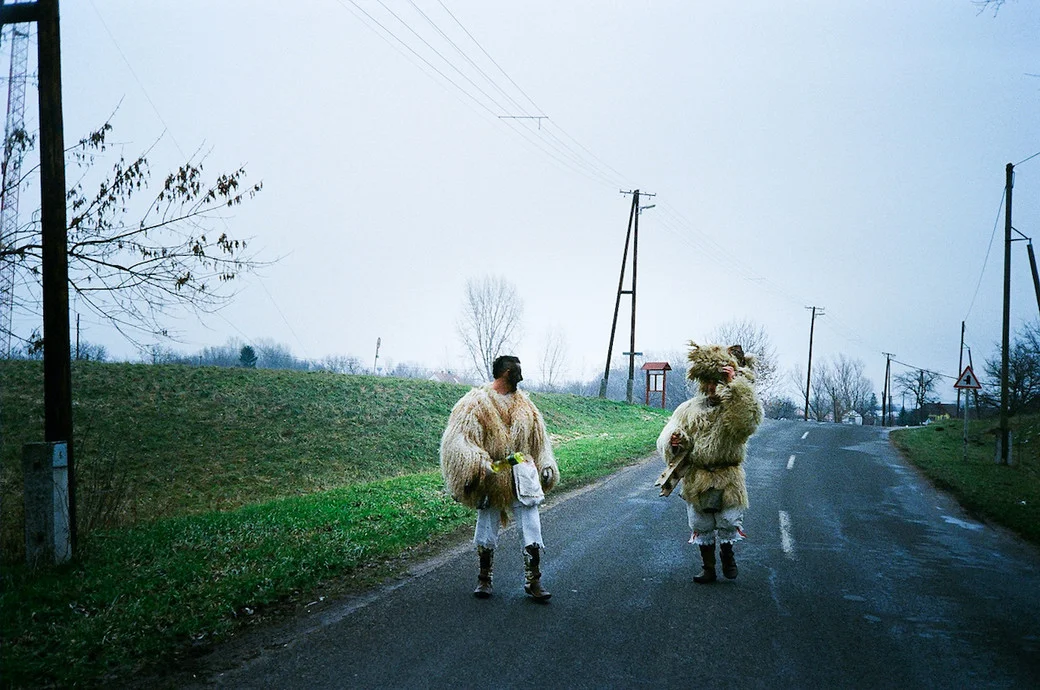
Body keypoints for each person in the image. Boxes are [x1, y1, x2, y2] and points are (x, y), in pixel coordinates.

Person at [440, 355, 560, 601]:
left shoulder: (526, 406)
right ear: (506, 373)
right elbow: (459, 440)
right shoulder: (474, 403)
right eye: (517, 372)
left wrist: (546, 464)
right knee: (486, 527)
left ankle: (534, 580)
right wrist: (477, 463)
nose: (521, 378)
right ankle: (484, 579)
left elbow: (539, 440)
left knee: (531, 526)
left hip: (522, 476)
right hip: (491, 475)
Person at [655, 343, 763, 584]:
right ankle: (708, 567)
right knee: (700, 523)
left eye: (718, 381)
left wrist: (735, 385)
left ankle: (727, 556)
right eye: (708, 382)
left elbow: (747, 424)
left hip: (728, 476)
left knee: (728, 520)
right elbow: (669, 437)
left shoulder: (736, 405)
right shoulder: (689, 409)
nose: (712, 387)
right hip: (698, 476)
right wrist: (675, 442)